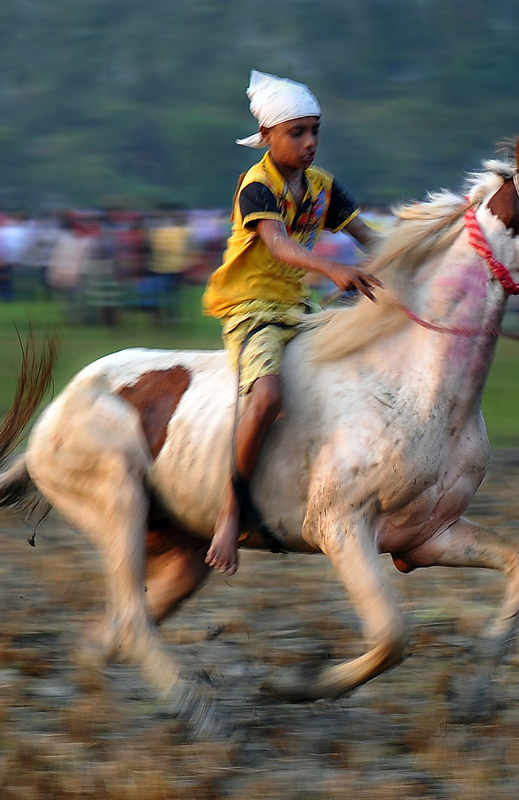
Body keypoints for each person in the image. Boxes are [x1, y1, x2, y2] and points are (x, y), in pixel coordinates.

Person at [201, 71, 382, 575]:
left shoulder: (324, 188)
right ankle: (229, 512)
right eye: (296, 132)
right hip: (251, 308)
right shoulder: (256, 185)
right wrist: (333, 267)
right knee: (268, 397)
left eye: (314, 130)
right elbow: (278, 246)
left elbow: (373, 239)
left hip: (299, 308)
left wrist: (424, 266)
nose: (309, 143)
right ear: (267, 137)